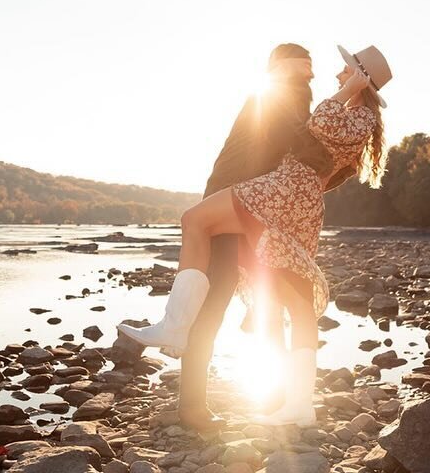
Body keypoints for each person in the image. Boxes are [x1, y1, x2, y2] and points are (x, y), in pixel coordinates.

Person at [120, 44, 392, 427]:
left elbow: (313, 141)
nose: (322, 78)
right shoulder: (277, 100)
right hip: (254, 198)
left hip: (263, 201)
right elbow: (315, 152)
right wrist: (305, 184)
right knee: (276, 303)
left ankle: (266, 398)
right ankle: (275, 401)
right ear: (281, 69)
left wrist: (296, 187)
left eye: (342, 71)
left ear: (363, 79)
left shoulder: (325, 110)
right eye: (305, 71)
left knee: (261, 303)